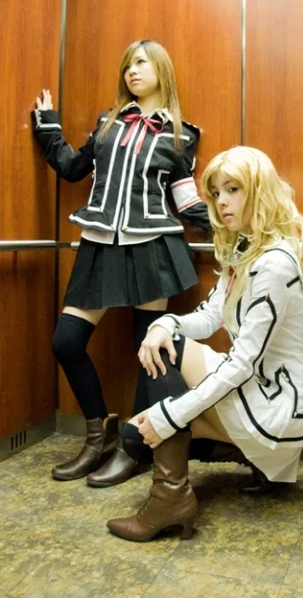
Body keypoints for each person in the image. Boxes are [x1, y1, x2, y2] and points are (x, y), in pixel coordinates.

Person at [105, 146, 303, 542]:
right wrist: (164, 322)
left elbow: (241, 364)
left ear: (260, 191)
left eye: (233, 189)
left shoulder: (273, 263)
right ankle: (253, 462)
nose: (221, 202)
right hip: (262, 390)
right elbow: (208, 318)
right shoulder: (245, 249)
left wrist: (169, 416)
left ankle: (169, 499)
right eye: (217, 192)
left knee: (165, 372)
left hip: (279, 404)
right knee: (138, 433)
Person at [31, 39, 211, 486]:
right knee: (66, 342)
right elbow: (73, 168)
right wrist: (49, 126)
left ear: (161, 70)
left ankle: (135, 447)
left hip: (153, 246)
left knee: (149, 352)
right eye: (128, 64)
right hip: (99, 243)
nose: (132, 70)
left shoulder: (181, 134)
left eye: (142, 62)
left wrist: (240, 230)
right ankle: (98, 436)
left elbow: (187, 200)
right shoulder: (107, 123)